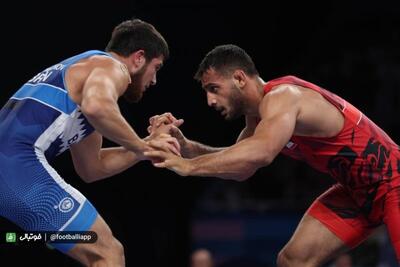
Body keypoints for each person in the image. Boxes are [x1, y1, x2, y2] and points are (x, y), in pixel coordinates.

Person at [145, 44, 400, 266]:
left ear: (239, 78)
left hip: (394, 182)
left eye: (214, 88)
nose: (210, 100)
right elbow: (241, 166)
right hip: (356, 193)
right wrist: (187, 148)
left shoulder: (283, 97)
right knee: (293, 260)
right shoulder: (258, 119)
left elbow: (262, 153)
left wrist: (188, 167)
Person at [0, 18, 181, 267]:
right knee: (107, 253)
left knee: (93, 246)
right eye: (156, 67)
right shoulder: (111, 66)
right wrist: (145, 146)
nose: (154, 80)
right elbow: (98, 107)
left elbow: (92, 168)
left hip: (10, 173)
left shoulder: (84, 80)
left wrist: (145, 148)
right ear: (139, 58)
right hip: (14, 169)